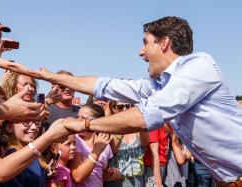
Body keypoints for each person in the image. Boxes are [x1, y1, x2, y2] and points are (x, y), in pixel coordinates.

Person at [28, 16, 242, 185]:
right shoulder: (159, 85)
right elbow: (106, 85)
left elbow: (144, 117)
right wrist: (51, 77)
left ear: (164, 42)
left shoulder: (198, 67)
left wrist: (84, 124)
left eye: (145, 43)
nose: (141, 52)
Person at [104, 101, 147, 187]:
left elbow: (145, 143)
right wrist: (123, 125)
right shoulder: (109, 128)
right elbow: (113, 149)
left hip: (138, 178)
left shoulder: (136, 126)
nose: (125, 109)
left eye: (128, 106)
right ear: (113, 109)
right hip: (117, 180)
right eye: (120, 107)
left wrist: (139, 125)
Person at [69, 104, 113, 187]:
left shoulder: (104, 143)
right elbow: (77, 177)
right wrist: (96, 151)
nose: (78, 120)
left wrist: (111, 173)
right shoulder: (75, 140)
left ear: (97, 121)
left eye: (83, 118)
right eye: (78, 117)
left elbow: (101, 175)